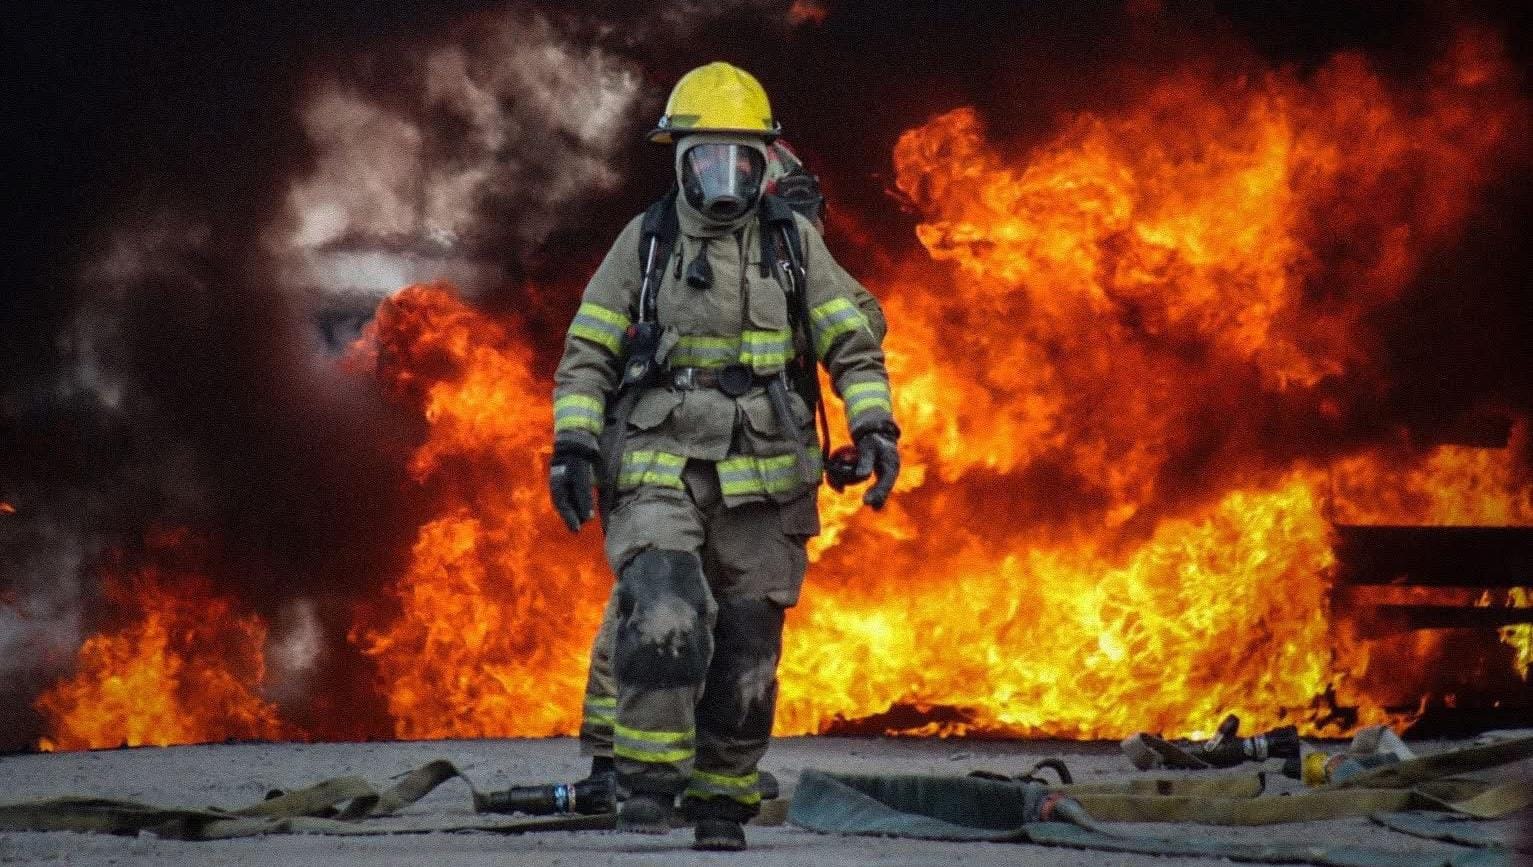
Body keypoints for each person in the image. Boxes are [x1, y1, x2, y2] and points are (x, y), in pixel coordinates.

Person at [548, 61, 899, 852]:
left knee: (748, 650)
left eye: (741, 159)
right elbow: (587, 352)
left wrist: (875, 428)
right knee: (664, 610)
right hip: (657, 464)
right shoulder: (643, 243)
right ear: (678, 159)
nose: (723, 177)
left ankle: (720, 798)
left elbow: (853, 341)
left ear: (764, 162)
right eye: (706, 159)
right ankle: (642, 787)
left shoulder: (792, 243)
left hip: (767, 480)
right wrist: (571, 445)